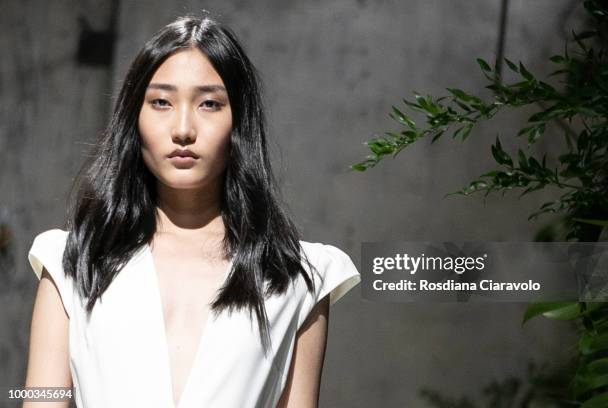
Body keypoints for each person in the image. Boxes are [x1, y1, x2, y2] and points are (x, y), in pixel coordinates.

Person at [23, 11, 361, 408]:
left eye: (209, 104)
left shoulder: (297, 276)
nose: (183, 128)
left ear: (239, 122)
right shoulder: (70, 262)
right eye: (161, 102)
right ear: (135, 117)